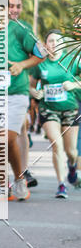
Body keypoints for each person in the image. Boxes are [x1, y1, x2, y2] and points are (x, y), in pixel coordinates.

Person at [29, 31, 81, 199]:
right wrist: (34, 93)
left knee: (71, 151)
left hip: (70, 109)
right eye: (50, 41)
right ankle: (61, 184)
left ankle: (72, 166)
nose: (54, 44)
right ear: (46, 44)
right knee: (56, 144)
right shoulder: (40, 64)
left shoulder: (72, 60)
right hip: (48, 109)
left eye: (57, 41)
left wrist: (73, 84)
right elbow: (30, 85)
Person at [5, 0, 45, 201]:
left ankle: (20, 175)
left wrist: (21, 65)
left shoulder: (23, 29)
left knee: (14, 134)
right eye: (11, 5)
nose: (15, 9)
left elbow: (41, 53)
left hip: (17, 91)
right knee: (9, 134)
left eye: (18, 6)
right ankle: (14, 176)